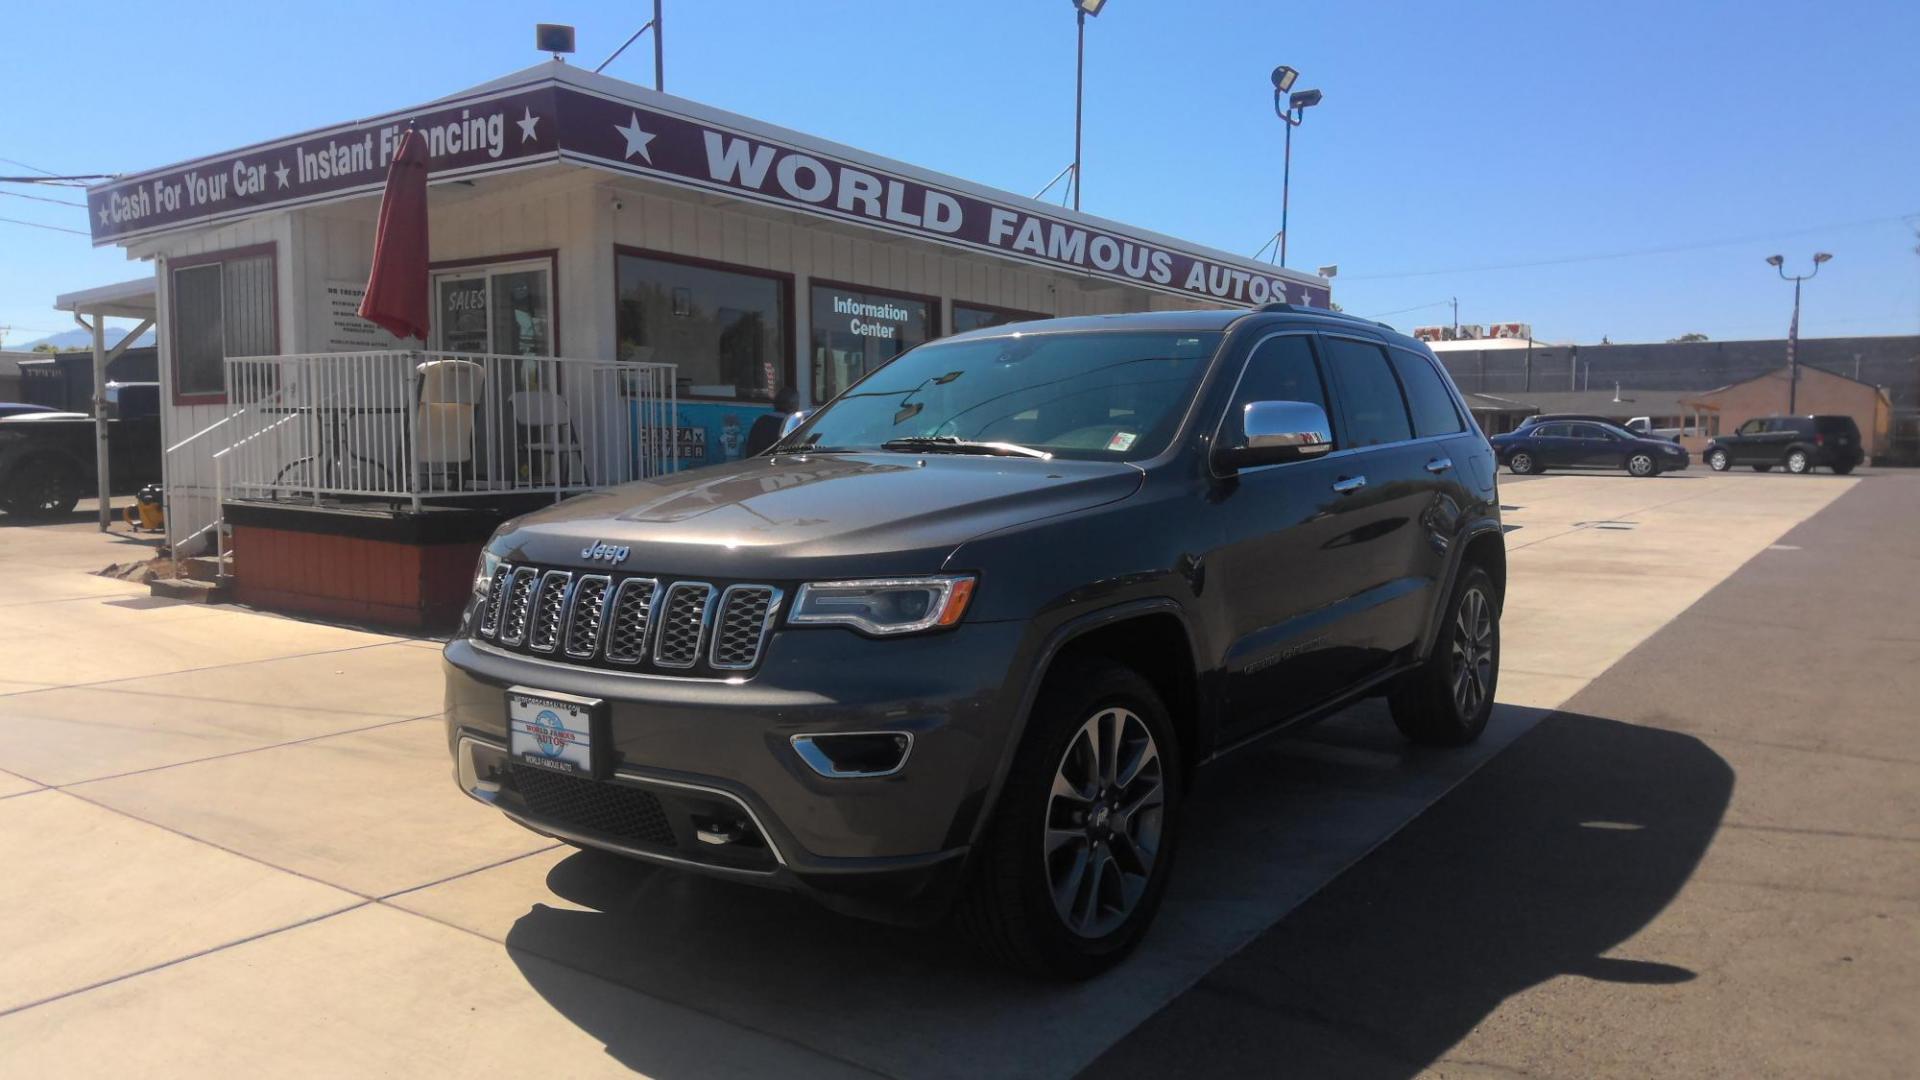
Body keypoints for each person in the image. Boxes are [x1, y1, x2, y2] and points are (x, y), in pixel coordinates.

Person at [744, 385, 801, 457]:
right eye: (798, 403)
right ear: (793, 405)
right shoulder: (793, 425)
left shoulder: (761, 421)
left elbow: (750, 449)